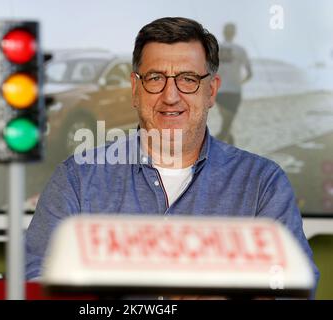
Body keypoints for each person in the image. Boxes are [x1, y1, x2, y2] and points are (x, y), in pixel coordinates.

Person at [26, 17, 319, 298]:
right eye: (155, 78)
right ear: (135, 89)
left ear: (212, 91)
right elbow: (34, 279)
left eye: (188, 79)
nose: (170, 96)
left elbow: (293, 287)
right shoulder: (77, 178)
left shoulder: (262, 183)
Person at [216, 22, 252, 145]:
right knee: (225, 127)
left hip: (219, 92)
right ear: (235, 33)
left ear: (223, 32)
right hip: (234, 92)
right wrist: (239, 82)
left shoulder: (214, 49)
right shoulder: (241, 50)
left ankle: (231, 146)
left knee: (227, 124)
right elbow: (249, 74)